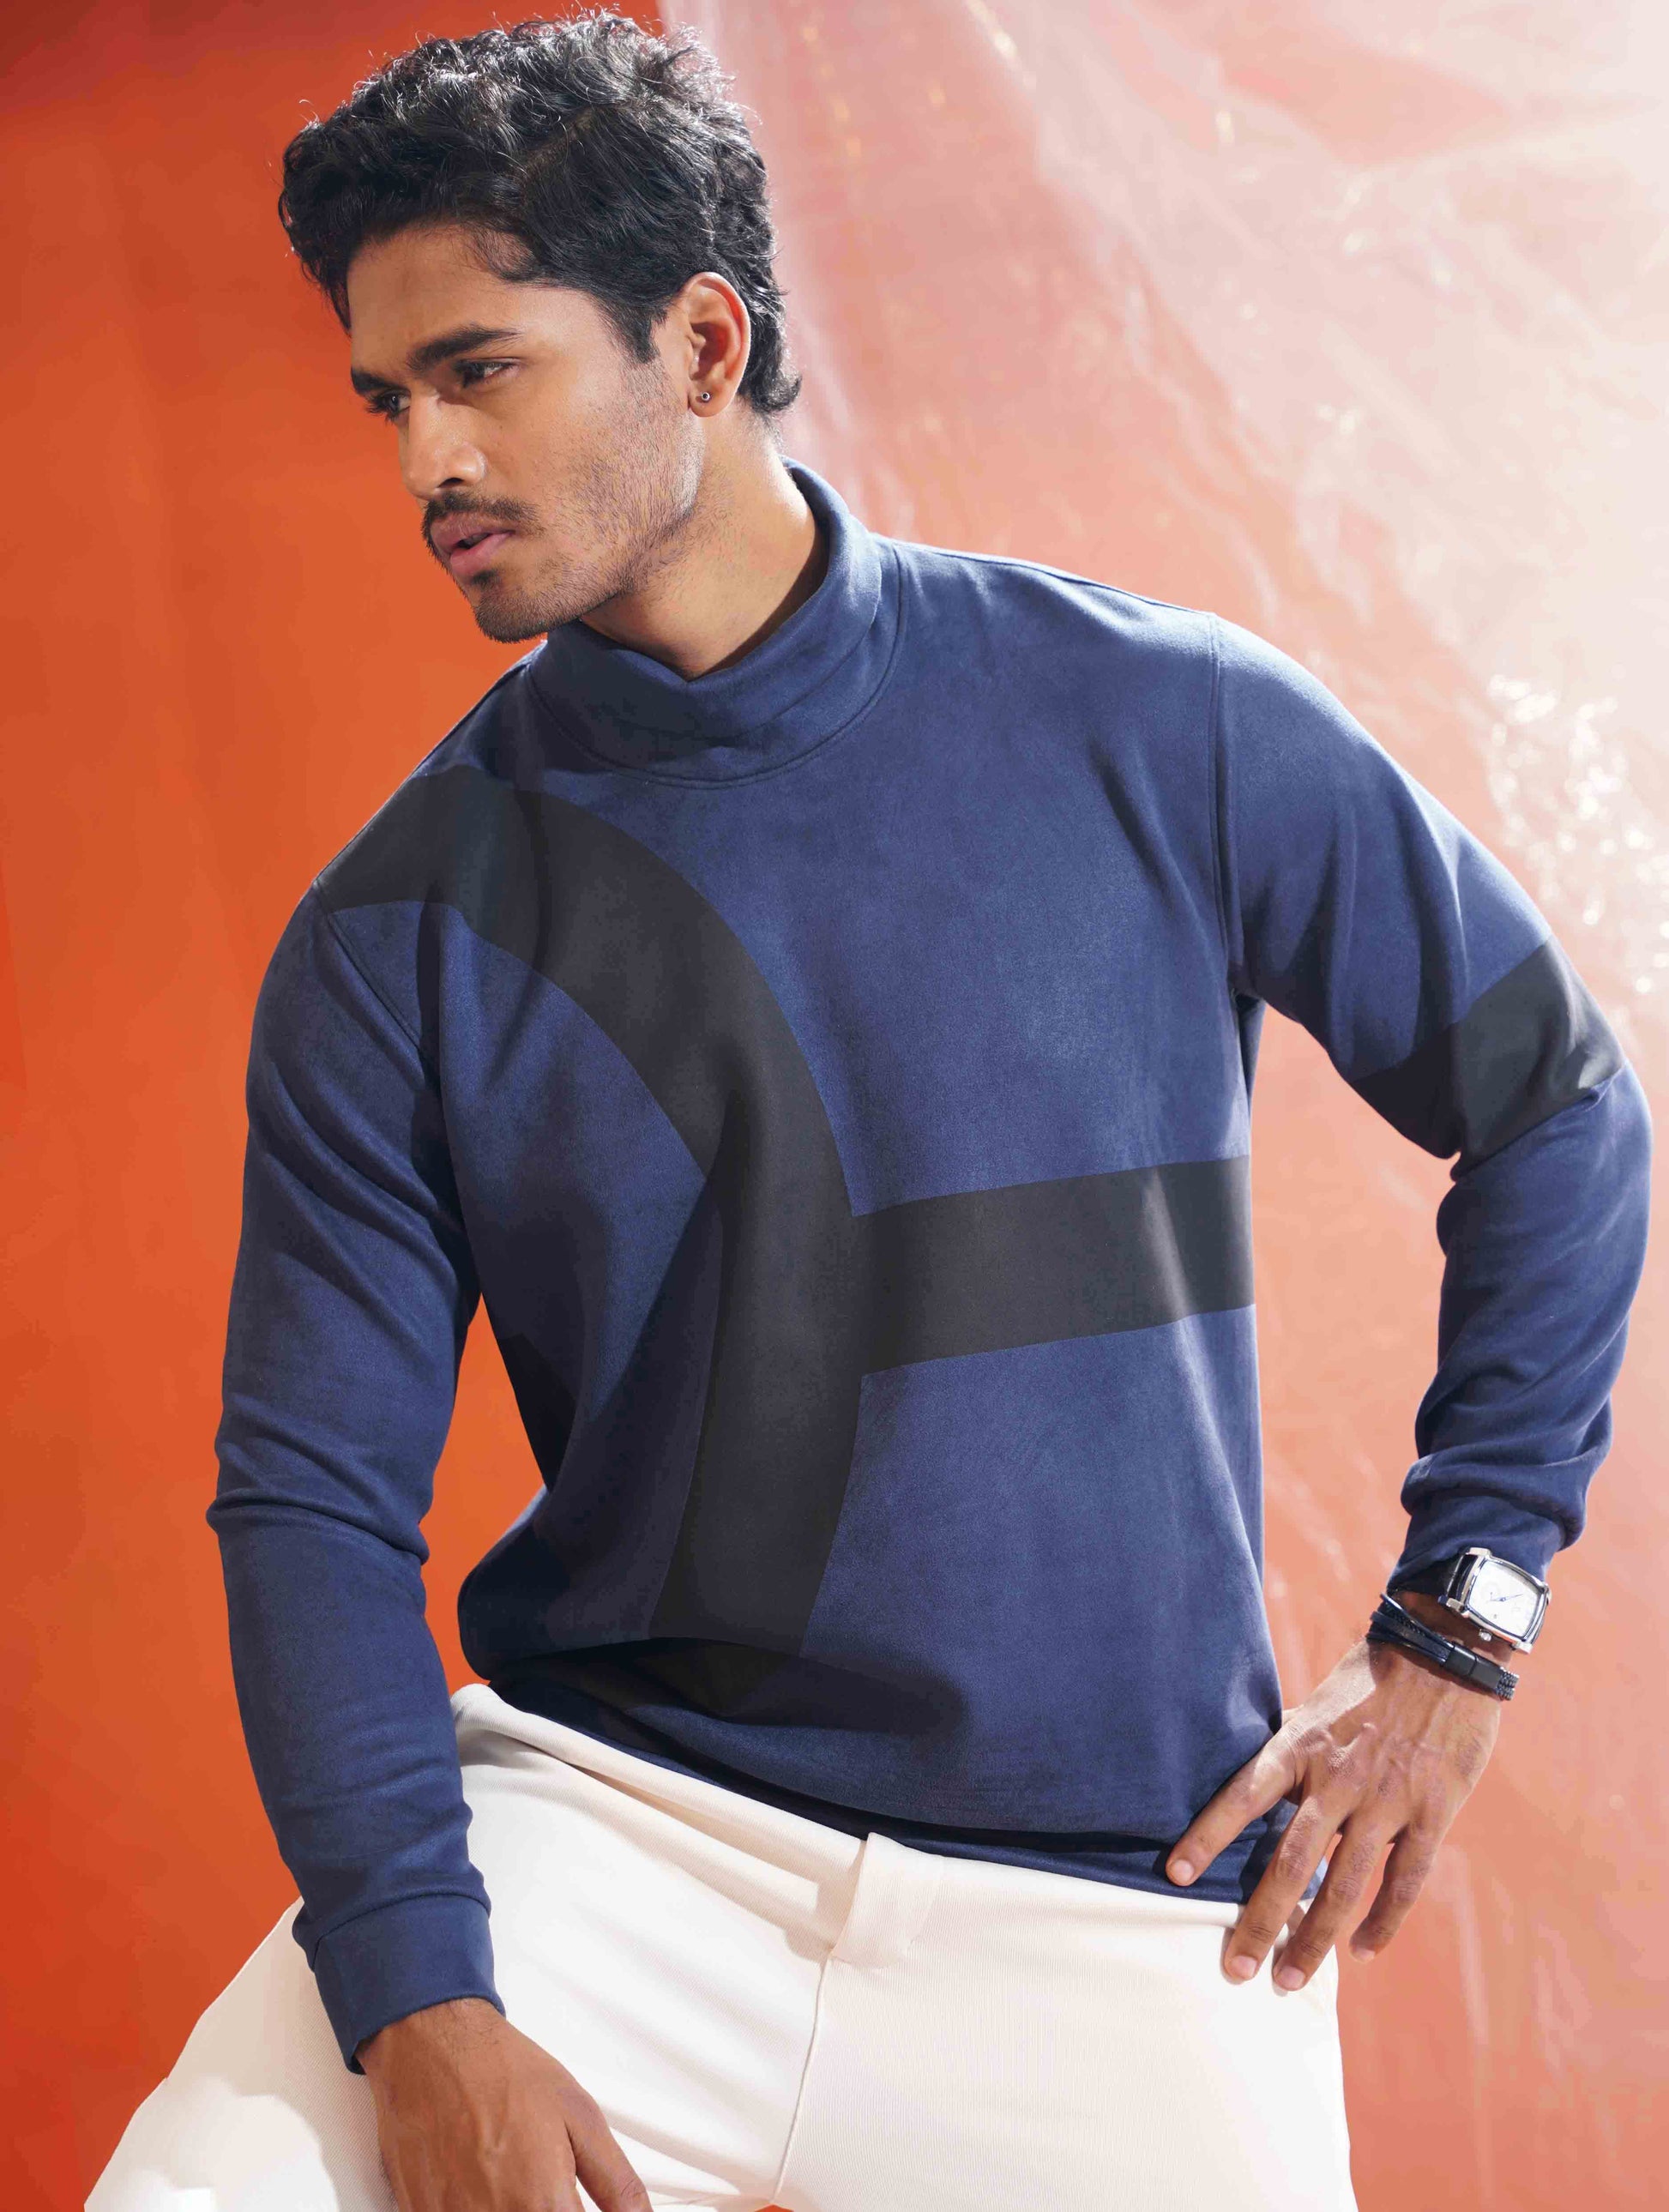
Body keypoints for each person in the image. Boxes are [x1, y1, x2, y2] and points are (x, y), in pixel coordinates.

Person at [90, 15, 1650, 2212]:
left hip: (1117, 1902)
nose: (425, 457)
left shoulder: (1163, 726)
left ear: (702, 342)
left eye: (479, 371)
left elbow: (1562, 1107)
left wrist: (1457, 1632)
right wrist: (418, 1997)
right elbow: (313, 1506)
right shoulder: (395, 930)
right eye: (388, 399)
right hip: (618, 1841)